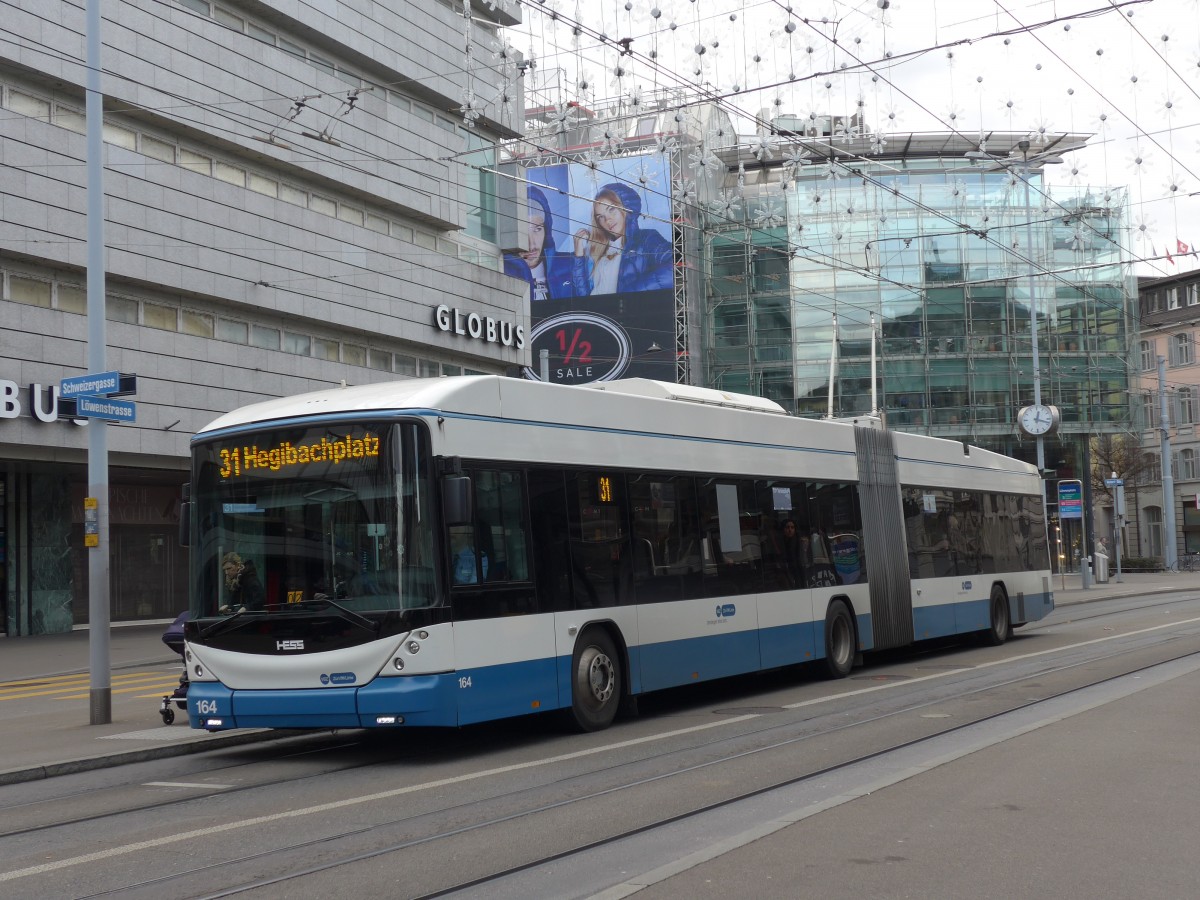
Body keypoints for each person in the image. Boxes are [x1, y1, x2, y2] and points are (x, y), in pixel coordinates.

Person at [572, 183, 673, 295]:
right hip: (597, 312)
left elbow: (676, 267)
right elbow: (584, 300)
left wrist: (629, 295)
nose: (607, 220)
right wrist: (579, 256)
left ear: (626, 207)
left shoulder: (646, 239)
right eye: (600, 216)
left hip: (624, 310)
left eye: (611, 209)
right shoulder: (598, 251)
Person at [503, 185, 578, 301]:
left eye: (537, 229)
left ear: (546, 230)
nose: (531, 245)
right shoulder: (501, 271)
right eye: (523, 232)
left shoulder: (569, 265)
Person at [779, 518, 808, 588]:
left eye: (792, 527)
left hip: (798, 571)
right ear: (783, 529)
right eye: (787, 527)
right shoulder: (781, 542)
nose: (790, 530)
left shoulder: (799, 542)